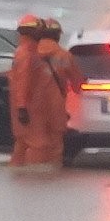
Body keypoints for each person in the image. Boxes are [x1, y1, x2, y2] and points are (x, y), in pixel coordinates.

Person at [32, 18, 84, 167]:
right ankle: (53, 173)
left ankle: (33, 172)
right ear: (58, 35)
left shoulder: (28, 54)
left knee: (32, 142)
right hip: (55, 106)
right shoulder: (64, 56)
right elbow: (78, 85)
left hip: (32, 106)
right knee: (55, 143)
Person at [8, 14, 45, 166]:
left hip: (27, 107)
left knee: (22, 144)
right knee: (35, 145)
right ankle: (31, 176)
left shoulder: (25, 51)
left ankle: (19, 173)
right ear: (31, 31)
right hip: (29, 109)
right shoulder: (27, 54)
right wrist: (22, 107)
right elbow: (23, 81)